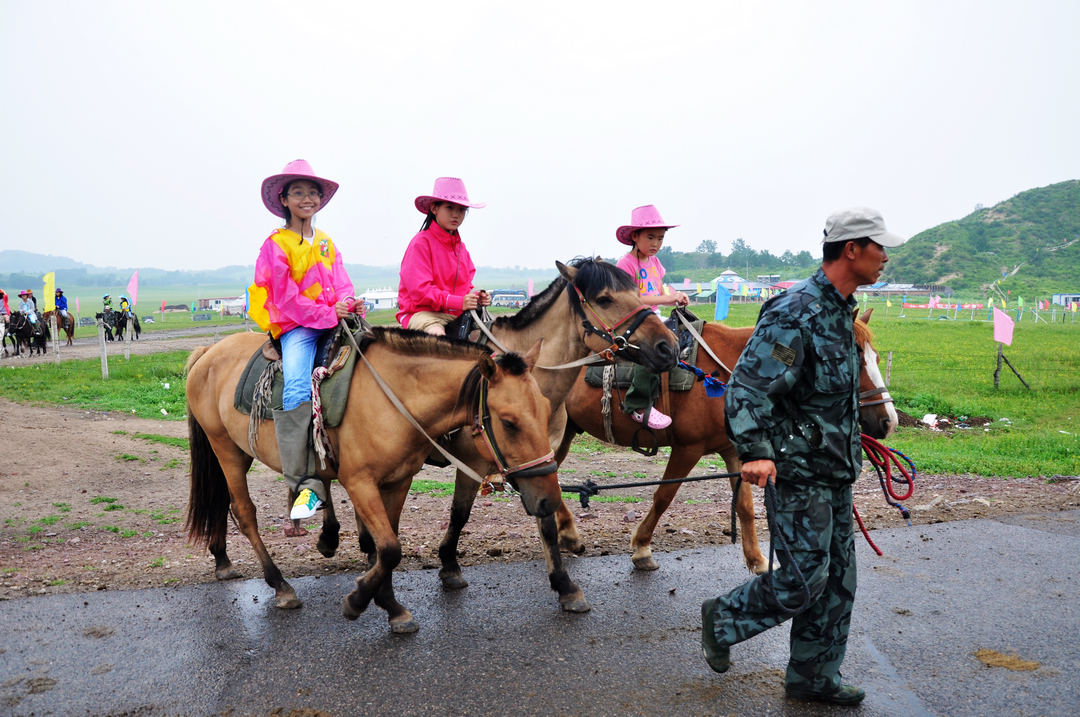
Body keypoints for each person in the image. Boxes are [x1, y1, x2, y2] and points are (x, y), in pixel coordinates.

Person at [700, 207, 906, 706]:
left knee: (837, 581)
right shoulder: (797, 312)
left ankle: (813, 677)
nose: (885, 256)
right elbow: (749, 389)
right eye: (879, 246)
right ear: (851, 249)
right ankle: (724, 616)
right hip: (796, 472)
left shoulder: (842, 312)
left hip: (834, 471)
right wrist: (755, 451)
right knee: (802, 580)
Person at [247, 159, 356, 520]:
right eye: (298, 193)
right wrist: (327, 314)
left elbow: (341, 280)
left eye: (312, 193)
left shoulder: (326, 242)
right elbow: (287, 297)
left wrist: (349, 303)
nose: (307, 198)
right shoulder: (275, 245)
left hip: (335, 319)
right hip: (297, 326)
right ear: (285, 200)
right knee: (295, 384)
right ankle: (302, 484)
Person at [614, 205, 689, 430]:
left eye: (660, 238)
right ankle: (638, 404)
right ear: (635, 236)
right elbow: (633, 299)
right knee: (650, 351)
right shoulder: (625, 264)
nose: (656, 243)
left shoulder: (655, 263)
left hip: (652, 316)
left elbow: (658, 291)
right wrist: (666, 299)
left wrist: (676, 296)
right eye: (650, 237)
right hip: (632, 320)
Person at [396, 177, 490, 336]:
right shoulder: (420, 243)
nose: (456, 215)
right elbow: (420, 292)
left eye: (461, 209)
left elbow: (466, 286)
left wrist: (477, 297)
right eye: (449, 208)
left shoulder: (461, 248)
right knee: (442, 344)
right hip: (422, 314)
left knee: (494, 339)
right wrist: (459, 302)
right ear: (434, 208)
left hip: (456, 313)